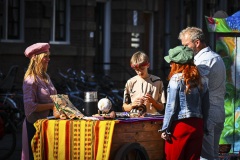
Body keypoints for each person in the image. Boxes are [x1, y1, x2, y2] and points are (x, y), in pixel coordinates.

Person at [178, 27, 226, 160]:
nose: (184, 49)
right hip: (217, 111)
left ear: (197, 42)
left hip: (208, 113)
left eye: (186, 45)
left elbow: (195, 86)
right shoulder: (214, 57)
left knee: (206, 156)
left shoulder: (204, 60)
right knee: (213, 155)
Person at [160, 46, 210, 160]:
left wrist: (165, 128)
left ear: (177, 64)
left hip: (180, 127)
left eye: (172, 62)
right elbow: (206, 106)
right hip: (197, 125)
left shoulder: (176, 79)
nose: (170, 65)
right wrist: (204, 126)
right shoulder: (203, 80)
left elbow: (171, 107)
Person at [21, 43, 57, 160]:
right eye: (45, 56)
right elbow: (30, 107)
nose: (48, 59)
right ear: (36, 58)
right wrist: (52, 106)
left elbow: (54, 97)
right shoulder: (30, 79)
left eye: (48, 56)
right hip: (33, 127)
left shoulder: (45, 76)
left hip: (45, 125)